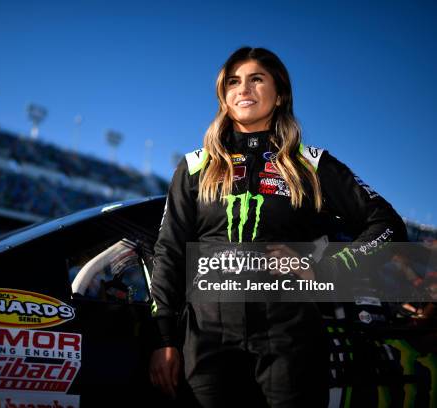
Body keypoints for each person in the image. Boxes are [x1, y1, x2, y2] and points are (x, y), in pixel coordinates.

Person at [148, 47, 407, 407]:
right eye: (234, 82)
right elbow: (169, 252)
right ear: (224, 96)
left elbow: (388, 226)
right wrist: (164, 339)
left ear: (280, 93)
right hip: (208, 340)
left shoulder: (311, 165)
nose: (244, 89)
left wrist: (325, 267)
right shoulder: (195, 166)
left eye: (257, 79)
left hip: (290, 339)